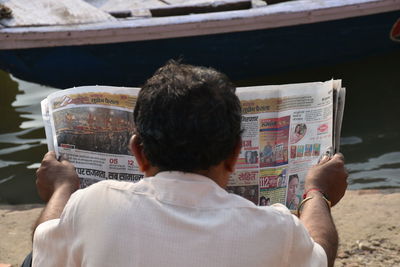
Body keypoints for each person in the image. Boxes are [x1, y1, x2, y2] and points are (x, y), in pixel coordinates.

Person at [32, 61, 348, 267]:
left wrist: (61, 189)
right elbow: (320, 256)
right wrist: (317, 192)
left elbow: (43, 252)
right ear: (235, 154)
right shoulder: (277, 230)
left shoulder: (93, 205)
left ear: (137, 153)